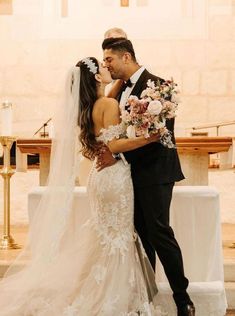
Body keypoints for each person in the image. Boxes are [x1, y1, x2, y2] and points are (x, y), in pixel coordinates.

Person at [0, 57, 165, 315]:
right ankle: (113, 296)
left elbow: (96, 148)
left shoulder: (86, 110)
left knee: (105, 236)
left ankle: (100, 292)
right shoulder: (109, 104)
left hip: (98, 178)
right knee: (118, 237)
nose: (106, 68)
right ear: (96, 77)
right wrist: (149, 138)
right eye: (102, 66)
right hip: (114, 177)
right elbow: (114, 145)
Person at [98, 37, 196, 316]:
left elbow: (158, 135)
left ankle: (183, 299)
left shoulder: (160, 87)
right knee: (140, 237)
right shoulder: (116, 93)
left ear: (126, 57)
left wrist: (116, 153)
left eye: (109, 59)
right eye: (104, 60)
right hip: (127, 174)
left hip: (155, 172)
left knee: (159, 232)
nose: (107, 65)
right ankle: (146, 299)